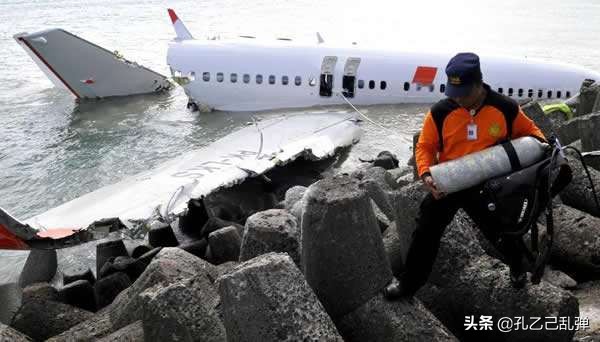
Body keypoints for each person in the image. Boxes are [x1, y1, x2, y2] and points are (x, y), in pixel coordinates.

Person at [400, 52, 546, 297]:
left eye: (463, 94)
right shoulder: (440, 112)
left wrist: (539, 149)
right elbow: (425, 146)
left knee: (502, 229)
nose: (458, 100)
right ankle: (408, 285)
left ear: (479, 85)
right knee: (425, 229)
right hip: (450, 179)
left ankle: (518, 268)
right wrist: (426, 173)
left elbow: (532, 133)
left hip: (487, 183)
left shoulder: (505, 108)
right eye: (453, 94)